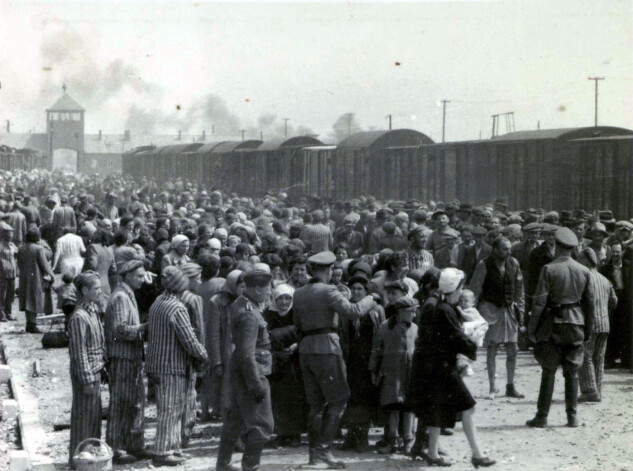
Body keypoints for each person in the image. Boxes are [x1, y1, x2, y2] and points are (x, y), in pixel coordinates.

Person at [293, 251, 377, 468]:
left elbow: (298, 326)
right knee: (339, 399)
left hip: (306, 350)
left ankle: (314, 455)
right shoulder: (329, 290)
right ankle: (324, 452)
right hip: (327, 349)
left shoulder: (299, 292)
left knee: (316, 405)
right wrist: (372, 298)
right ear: (329, 270)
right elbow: (354, 310)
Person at [406, 268, 495, 468]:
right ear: (454, 288)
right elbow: (457, 338)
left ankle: (432, 453)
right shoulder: (445, 310)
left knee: (436, 409)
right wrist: (473, 343)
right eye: (460, 287)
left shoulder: (438, 306)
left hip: (434, 368)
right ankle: (477, 454)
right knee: (469, 406)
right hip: (444, 369)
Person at [527, 228, 595, 428]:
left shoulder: (548, 269)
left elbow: (539, 303)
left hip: (553, 324)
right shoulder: (583, 270)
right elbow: (589, 304)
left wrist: (532, 329)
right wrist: (588, 330)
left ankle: (542, 416)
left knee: (548, 371)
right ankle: (572, 416)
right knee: (572, 372)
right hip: (576, 324)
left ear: (557, 246)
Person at [146, 266, 208, 467]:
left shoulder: (158, 302)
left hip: (156, 363)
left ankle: (172, 448)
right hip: (171, 366)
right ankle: (163, 451)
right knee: (171, 410)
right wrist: (203, 354)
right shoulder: (177, 307)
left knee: (168, 408)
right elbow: (189, 339)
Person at [216, 268, 274, 471]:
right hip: (252, 372)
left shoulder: (241, 303)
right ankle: (251, 467)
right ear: (257, 289)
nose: (269, 292)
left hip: (241, 371)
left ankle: (223, 465)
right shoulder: (249, 314)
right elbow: (247, 353)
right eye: (268, 288)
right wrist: (256, 384)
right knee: (262, 425)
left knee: (236, 420)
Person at [469, 236, 525, 399]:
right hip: (491, 310)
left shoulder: (513, 263)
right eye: (504, 249)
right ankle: (492, 387)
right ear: (495, 249)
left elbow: (520, 289)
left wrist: (520, 310)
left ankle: (510, 385)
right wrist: (475, 315)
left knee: (512, 348)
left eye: (509, 249)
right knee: (492, 349)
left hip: (509, 310)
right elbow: (475, 289)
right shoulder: (483, 265)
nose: (508, 252)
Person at [104, 260, 148, 464]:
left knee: (134, 402)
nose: (142, 279)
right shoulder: (121, 297)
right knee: (121, 404)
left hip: (131, 357)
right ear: (127, 275)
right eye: (139, 276)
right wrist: (143, 328)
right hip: (122, 358)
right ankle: (115, 447)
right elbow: (120, 329)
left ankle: (132, 444)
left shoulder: (127, 294)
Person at [339, 273, 384, 453]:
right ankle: (351, 436)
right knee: (351, 398)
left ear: (367, 292)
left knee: (365, 399)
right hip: (351, 360)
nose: (357, 292)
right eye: (354, 289)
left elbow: (380, 336)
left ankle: (363, 438)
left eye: (360, 289)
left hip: (368, 360)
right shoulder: (347, 310)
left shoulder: (376, 309)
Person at [369, 297, 418, 455]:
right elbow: (376, 350)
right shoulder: (385, 327)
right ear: (400, 312)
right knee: (393, 407)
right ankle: (392, 441)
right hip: (391, 374)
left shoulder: (415, 328)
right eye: (411, 311)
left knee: (409, 407)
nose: (414, 314)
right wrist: (373, 370)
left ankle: (408, 441)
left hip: (410, 374)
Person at [68, 272, 106, 469]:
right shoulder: (79, 317)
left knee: (93, 418)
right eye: (96, 288)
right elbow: (79, 352)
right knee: (84, 418)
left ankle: (90, 456)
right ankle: (78, 460)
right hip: (87, 374)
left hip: (95, 371)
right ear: (84, 290)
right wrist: (87, 379)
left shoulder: (92, 310)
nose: (100, 291)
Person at [264, 284, 306, 448]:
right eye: (280, 298)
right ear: (275, 299)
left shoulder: (298, 313)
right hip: (277, 361)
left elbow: (304, 333)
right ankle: (281, 433)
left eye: (287, 298)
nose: (283, 302)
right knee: (279, 397)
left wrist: (294, 347)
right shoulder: (268, 314)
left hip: (295, 360)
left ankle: (295, 434)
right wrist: (277, 351)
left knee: (295, 397)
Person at [576, 248, 617, 402]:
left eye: (580, 258)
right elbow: (614, 301)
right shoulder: (605, 279)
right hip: (604, 323)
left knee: (585, 356)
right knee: (599, 358)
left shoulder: (584, 277)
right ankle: (598, 390)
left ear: (587, 260)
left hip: (589, 323)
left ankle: (589, 390)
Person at [208, 270, 245, 421]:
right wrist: (216, 361)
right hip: (227, 352)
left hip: (245, 351)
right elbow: (214, 334)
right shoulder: (217, 302)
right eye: (241, 286)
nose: (244, 289)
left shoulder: (248, 301)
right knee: (227, 393)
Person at [178, 262, 205, 448]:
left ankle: (183, 429)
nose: (200, 282)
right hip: (192, 348)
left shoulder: (174, 296)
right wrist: (202, 353)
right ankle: (187, 430)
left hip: (177, 350)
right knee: (190, 390)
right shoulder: (193, 299)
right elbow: (200, 328)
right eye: (198, 278)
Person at [17, 228, 55, 333]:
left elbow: (19, 263)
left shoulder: (21, 248)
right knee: (34, 299)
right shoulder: (38, 249)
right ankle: (33, 325)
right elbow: (44, 265)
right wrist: (52, 276)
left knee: (26, 299)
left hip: (24, 277)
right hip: (35, 277)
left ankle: (29, 323)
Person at [455, 289, 489, 377]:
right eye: (460, 301)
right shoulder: (464, 310)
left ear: (472, 303)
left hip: (475, 332)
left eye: (466, 301)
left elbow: (470, 318)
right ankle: (466, 366)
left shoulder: (472, 310)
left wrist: (461, 312)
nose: (463, 303)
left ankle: (467, 366)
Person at [0, 223, 18, 321]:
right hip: (2, 273)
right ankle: (1, 313)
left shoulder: (12, 245)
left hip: (12, 272)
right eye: (8, 234)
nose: (10, 236)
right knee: (2, 294)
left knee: (10, 294)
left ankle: (8, 312)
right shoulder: (0, 246)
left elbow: (16, 254)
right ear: (3, 234)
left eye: (11, 234)